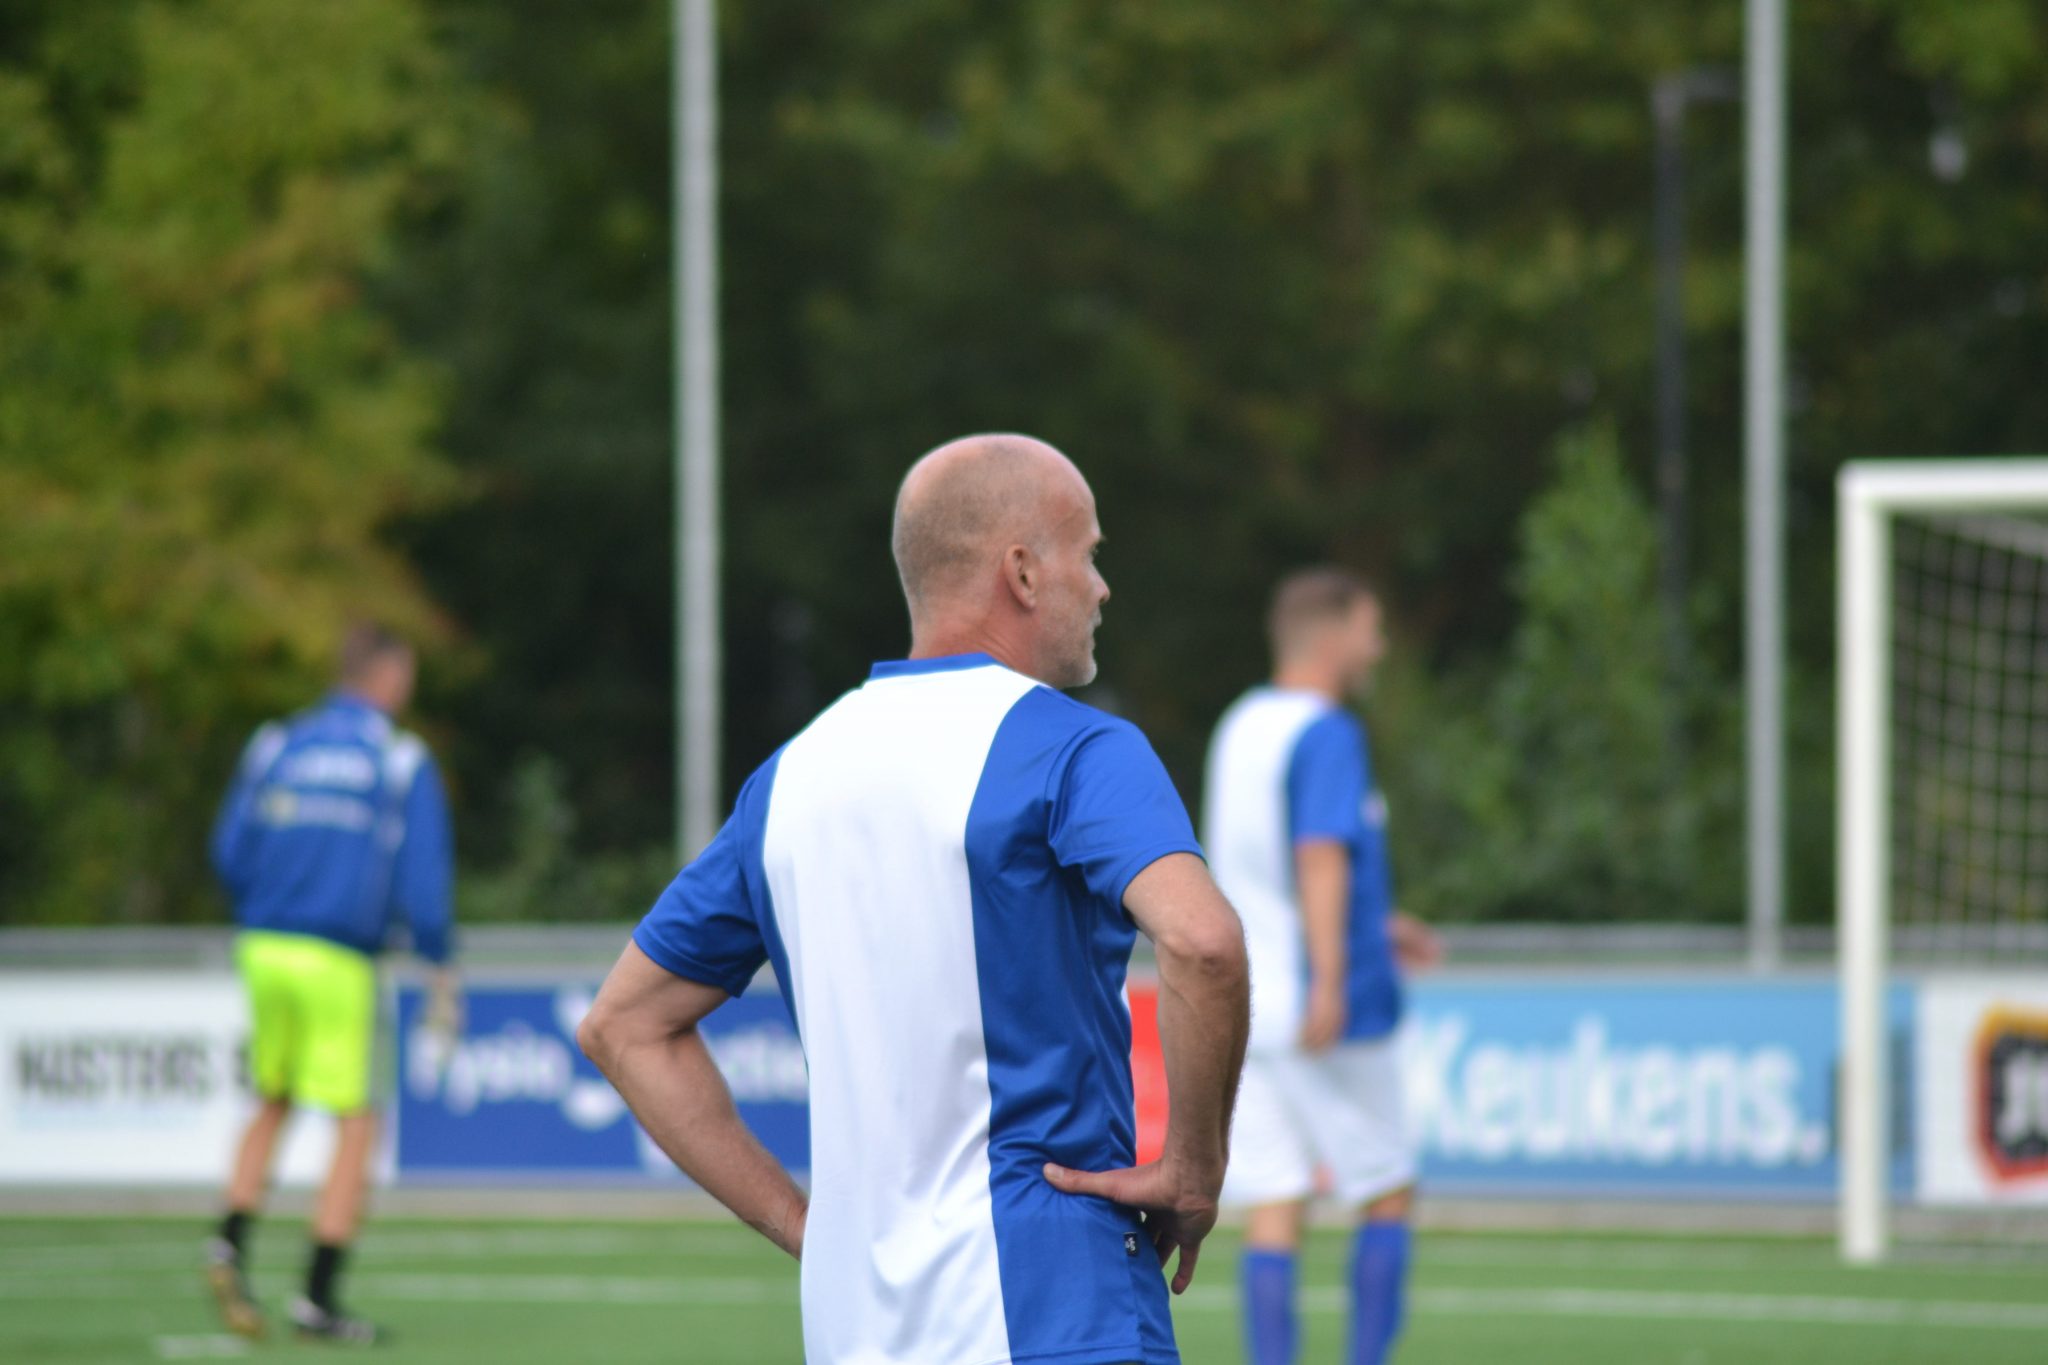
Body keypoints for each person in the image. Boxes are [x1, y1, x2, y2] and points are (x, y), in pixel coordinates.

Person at [579, 433, 1250, 1365]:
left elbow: (622, 1026)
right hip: (1057, 1307)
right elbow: (1205, 943)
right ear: (1022, 571)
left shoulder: (789, 779)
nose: (1102, 588)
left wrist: (805, 1228)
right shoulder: (1077, 748)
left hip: (856, 1330)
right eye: (1089, 555)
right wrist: (1194, 1168)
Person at [1202, 569, 1443, 1365]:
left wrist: (1376, 925)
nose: (1378, 646)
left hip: (1252, 1004)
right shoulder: (1327, 731)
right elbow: (1316, 854)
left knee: (1275, 1201)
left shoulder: (1241, 725)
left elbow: (1260, 870)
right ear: (1332, 632)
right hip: (1323, 1005)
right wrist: (1334, 976)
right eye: (1371, 629)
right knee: (1388, 1187)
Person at [205, 623, 460, 1344]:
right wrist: (439, 963)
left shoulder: (276, 743)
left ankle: (228, 1240)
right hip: (338, 957)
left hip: (263, 946)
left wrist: (271, 902)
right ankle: (317, 1297)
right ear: (389, 675)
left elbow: (228, 850)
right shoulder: (399, 758)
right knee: (357, 1120)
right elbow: (424, 880)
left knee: (274, 1095)